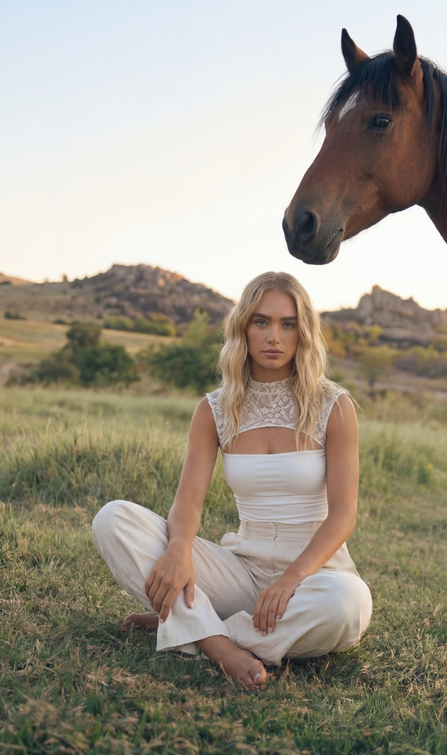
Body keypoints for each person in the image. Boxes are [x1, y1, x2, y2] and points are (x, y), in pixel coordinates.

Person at [91, 272, 372, 689]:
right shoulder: (215, 409)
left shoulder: (334, 406)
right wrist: (180, 548)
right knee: (113, 519)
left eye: (287, 324)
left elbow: (343, 516)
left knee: (348, 605)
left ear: (303, 331)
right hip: (240, 573)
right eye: (261, 322)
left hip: (315, 578)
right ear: (243, 328)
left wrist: (290, 581)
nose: (274, 336)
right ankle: (219, 645)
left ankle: (199, 628)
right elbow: (188, 501)